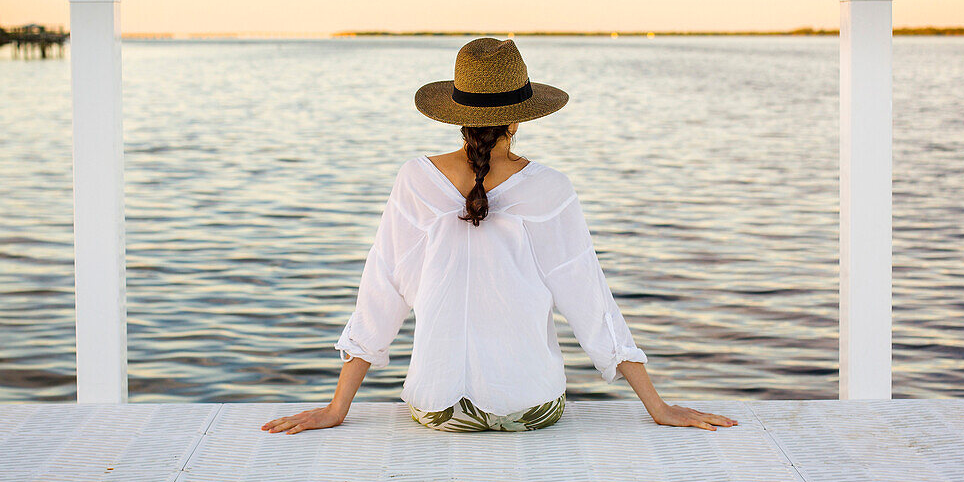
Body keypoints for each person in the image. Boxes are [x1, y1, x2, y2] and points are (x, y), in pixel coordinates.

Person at [263, 38, 738, 435]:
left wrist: (335, 409)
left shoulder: (415, 178)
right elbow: (589, 300)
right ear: (521, 116)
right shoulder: (550, 187)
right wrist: (658, 407)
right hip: (530, 410)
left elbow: (380, 293)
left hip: (437, 412)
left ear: (456, 114)